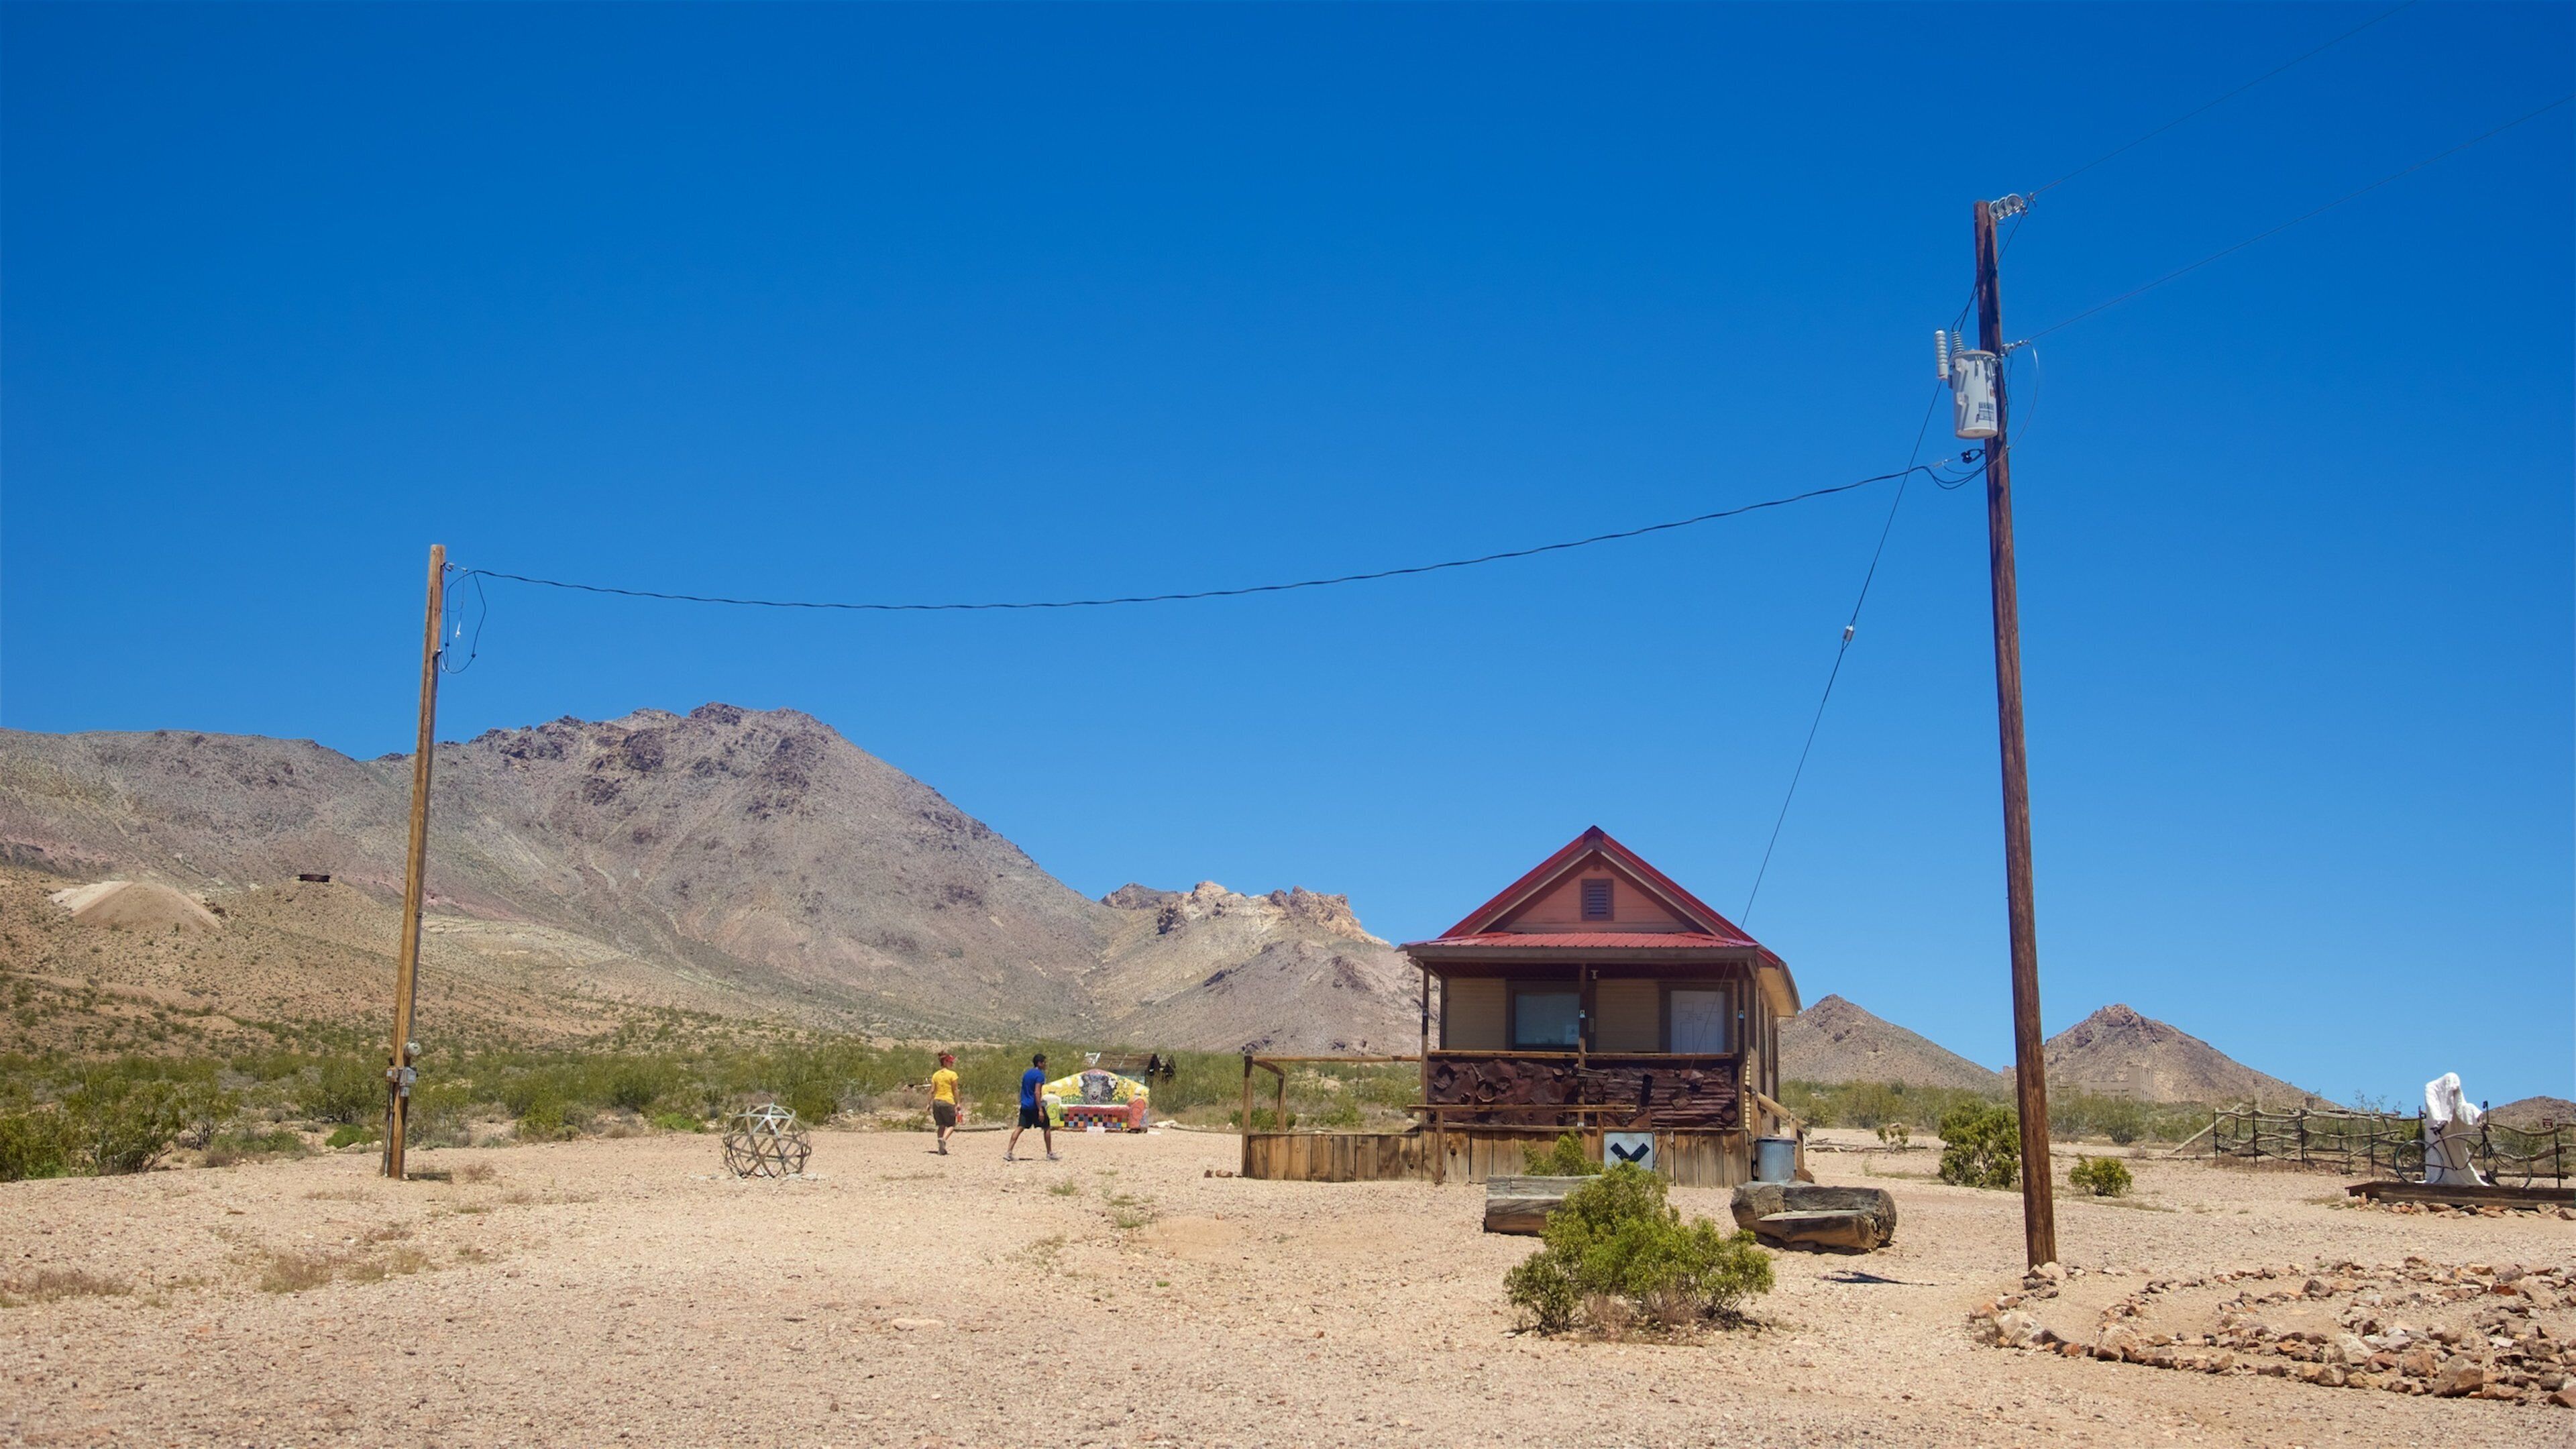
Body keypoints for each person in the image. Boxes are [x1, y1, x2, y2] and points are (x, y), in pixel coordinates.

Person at [1004, 1051, 1058, 1162]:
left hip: (1025, 1105)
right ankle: (1049, 1153)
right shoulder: (1040, 1075)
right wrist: (1040, 1110)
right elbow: (1037, 1092)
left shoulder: (1027, 1074)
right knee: (1047, 1127)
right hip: (1035, 1106)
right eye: (1044, 1063)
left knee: (1020, 1127)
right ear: (1039, 1063)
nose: (1045, 1065)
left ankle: (1009, 1152)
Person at [928, 1052, 962, 1155]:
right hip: (948, 1101)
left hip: (936, 1102)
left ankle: (940, 1147)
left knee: (941, 1125)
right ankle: (943, 1139)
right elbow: (955, 1090)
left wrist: (928, 1103)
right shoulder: (952, 1075)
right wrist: (958, 1103)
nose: (952, 1064)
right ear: (945, 1062)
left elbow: (932, 1091)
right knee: (952, 1125)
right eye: (951, 1062)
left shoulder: (936, 1075)